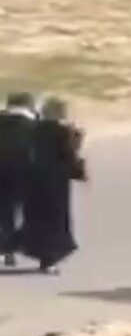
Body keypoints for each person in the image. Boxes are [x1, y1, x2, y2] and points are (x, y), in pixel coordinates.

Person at [19, 98, 85, 275]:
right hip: (56, 182)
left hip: (33, 180)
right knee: (55, 221)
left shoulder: (32, 129)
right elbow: (69, 155)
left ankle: (34, 250)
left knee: (36, 217)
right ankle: (49, 260)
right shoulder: (63, 131)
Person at [0, 93, 39, 267]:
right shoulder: (34, 124)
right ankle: (25, 246)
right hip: (25, 170)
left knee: (5, 211)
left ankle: (6, 248)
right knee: (28, 211)